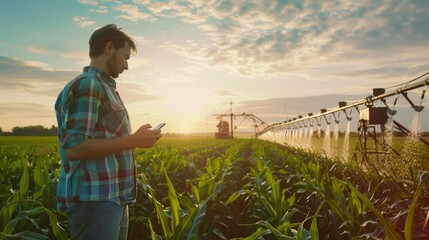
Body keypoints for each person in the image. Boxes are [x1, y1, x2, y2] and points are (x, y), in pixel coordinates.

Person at [54, 24, 161, 240]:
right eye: (125, 57)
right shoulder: (88, 85)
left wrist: (135, 139)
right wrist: (133, 140)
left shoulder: (104, 87)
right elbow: (75, 148)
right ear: (109, 48)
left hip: (113, 199)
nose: (127, 66)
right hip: (95, 200)